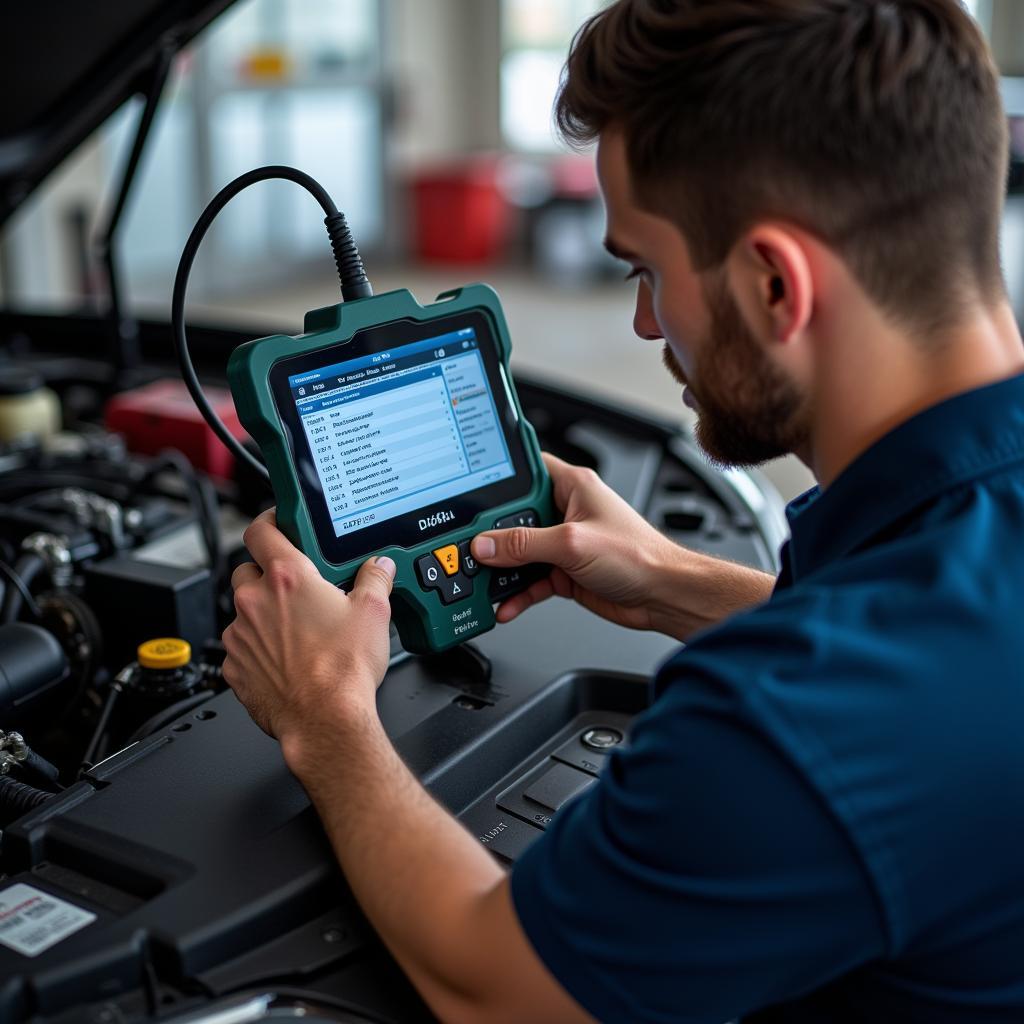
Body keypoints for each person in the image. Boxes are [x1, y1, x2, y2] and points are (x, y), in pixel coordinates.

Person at [222, 1, 1024, 1020]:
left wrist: (325, 716)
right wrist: (669, 580)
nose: (644, 322)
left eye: (645, 270)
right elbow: (927, 658)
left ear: (775, 283)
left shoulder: (789, 723)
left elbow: (494, 986)